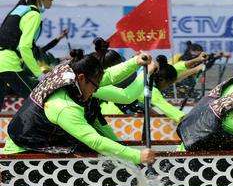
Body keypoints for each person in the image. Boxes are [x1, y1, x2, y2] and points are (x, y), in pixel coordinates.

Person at [3, 49, 155, 165]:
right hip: (22, 152)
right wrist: (137, 156)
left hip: (33, 139)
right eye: (95, 86)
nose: (96, 90)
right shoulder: (65, 106)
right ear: (82, 78)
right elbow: (95, 141)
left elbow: (108, 76)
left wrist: (135, 62)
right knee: (93, 151)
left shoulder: (71, 72)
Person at [0, 0, 60, 111]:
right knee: (41, 102)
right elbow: (24, 47)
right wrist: (39, 74)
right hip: (8, 64)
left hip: (2, 62)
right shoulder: (33, 15)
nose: (52, 0)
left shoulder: (19, 10)